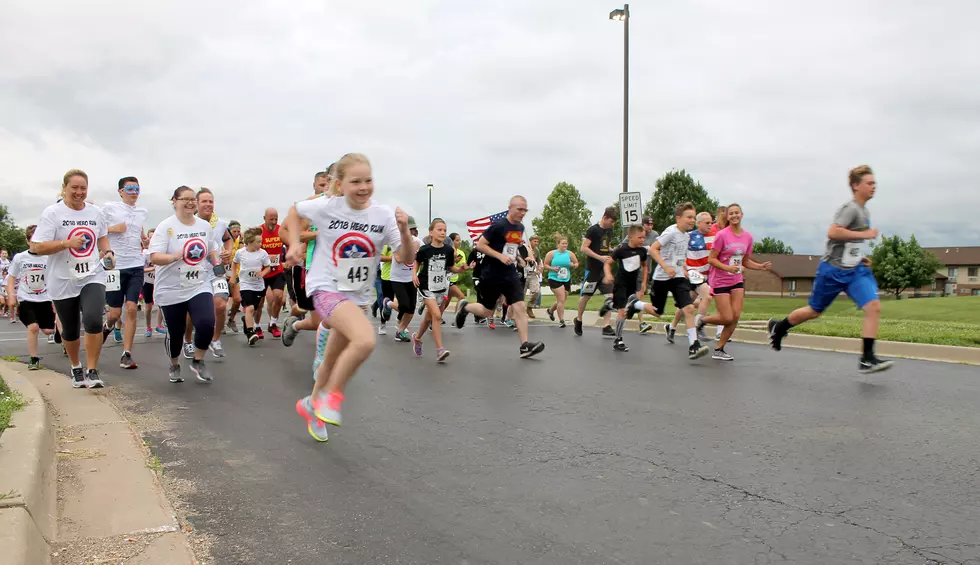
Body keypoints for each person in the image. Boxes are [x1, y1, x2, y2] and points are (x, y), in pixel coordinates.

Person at [284, 152, 413, 442]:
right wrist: (294, 243)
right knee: (365, 340)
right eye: (356, 181)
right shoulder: (327, 206)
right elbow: (294, 212)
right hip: (325, 288)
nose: (364, 186)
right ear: (340, 184)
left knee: (331, 359)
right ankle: (331, 396)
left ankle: (311, 403)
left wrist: (404, 231)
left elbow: (405, 258)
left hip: (358, 296)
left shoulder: (382, 215)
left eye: (368, 180)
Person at [768, 165, 893, 373]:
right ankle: (779, 327)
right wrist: (865, 235)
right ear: (855, 185)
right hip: (832, 270)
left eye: (874, 183)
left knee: (873, 307)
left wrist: (859, 257)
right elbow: (833, 232)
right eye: (869, 183)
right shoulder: (850, 209)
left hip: (853, 271)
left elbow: (848, 243)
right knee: (814, 311)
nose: (874, 186)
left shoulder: (864, 211)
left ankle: (867, 357)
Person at [30, 169, 112, 388]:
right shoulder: (53, 213)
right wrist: (65, 243)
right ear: (64, 188)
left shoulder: (95, 212)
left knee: (94, 319)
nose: (79, 192)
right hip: (63, 278)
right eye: (74, 187)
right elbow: (36, 247)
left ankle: (92, 370)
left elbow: (102, 237)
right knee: (70, 328)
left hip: (92, 274)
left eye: (83, 188)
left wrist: (108, 252)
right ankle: (76, 366)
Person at [454, 196, 545, 358]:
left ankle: (525, 345)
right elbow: (481, 245)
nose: (523, 213)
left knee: (520, 306)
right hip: (491, 274)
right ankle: (465, 308)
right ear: (510, 208)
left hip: (509, 274)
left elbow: (511, 248)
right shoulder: (498, 226)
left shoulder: (520, 228)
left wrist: (518, 259)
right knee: (487, 311)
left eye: (525, 210)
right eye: (519, 209)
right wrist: (499, 256)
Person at [149, 186, 219, 384]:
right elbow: (155, 257)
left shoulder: (204, 226)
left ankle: (198, 360)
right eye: (185, 199)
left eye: (192, 199)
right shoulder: (166, 227)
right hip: (171, 287)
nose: (190, 203)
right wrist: (172, 257)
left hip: (198, 283)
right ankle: (174, 363)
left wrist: (216, 263)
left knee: (206, 323)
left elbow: (211, 250)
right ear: (174, 201)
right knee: (176, 333)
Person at [695, 204, 771, 360]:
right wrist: (727, 268)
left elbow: (746, 261)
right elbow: (712, 259)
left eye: (737, 213)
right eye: (731, 213)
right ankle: (702, 320)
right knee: (727, 317)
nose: (734, 216)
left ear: (742, 214)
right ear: (727, 217)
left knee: (735, 317)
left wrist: (760, 267)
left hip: (736, 280)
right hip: (720, 280)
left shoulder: (748, 237)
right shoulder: (722, 235)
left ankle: (719, 349)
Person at [648, 202, 710, 360]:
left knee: (689, 308)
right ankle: (635, 304)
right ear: (679, 218)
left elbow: (679, 258)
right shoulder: (670, 232)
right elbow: (652, 249)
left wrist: (683, 270)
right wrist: (665, 266)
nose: (692, 221)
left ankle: (693, 345)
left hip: (677, 278)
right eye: (689, 217)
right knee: (657, 311)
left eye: (693, 218)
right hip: (662, 277)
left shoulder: (686, 236)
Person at [101, 176, 149, 369]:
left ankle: (126, 353)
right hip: (115, 266)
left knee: (131, 308)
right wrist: (114, 228)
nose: (134, 192)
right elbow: (98, 231)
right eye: (130, 189)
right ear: (121, 191)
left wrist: (144, 239)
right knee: (114, 313)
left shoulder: (142, 212)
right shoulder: (109, 208)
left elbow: (139, 230)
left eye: (137, 188)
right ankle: (107, 327)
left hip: (136, 265)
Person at [181, 188, 232, 359]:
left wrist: (228, 252)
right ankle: (188, 341)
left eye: (211, 201)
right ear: (196, 203)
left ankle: (215, 340)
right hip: (194, 271)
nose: (208, 204)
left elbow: (227, 239)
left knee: (221, 305)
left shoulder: (221, 223)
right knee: (191, 311)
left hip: (215, 271)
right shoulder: (189, 223)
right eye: (204, 201)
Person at [411, 220, 462, 362]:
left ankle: (418, 337)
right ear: (431, 232)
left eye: (444, 230)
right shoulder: (424, 250)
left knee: (428, 318)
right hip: (425, 286)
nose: (443, 232)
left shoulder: (449, 250)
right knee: (437, 316)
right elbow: (417, 262)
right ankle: (440, 350)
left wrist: (462, 269)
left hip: (440, 287)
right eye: (439, 229)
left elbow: (451, 268)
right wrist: (414, 274)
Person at [7, 225, 56, 370]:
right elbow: (11, 278)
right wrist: (11, 295)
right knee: (33, 327)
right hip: (26, 298)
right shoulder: (20, 257)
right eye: (33, 240)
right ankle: (33, 358)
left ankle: (60, 335)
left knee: (48, 331)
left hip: (45, 298)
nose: (36, 244)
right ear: (28, 241)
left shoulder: (49, 258)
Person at [667, 211, 716, 343]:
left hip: (705, 275)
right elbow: (677, 252)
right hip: (692, 273)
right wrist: (682, 268)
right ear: (698, 223)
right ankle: (698, 325)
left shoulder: (715, 236)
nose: (710, 225)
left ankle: (671, 327)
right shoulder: (689, 236)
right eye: (707, 223)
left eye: (711, 222)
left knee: (687, 305)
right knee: (708, 296)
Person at [600, 225, 649, 352]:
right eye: (640, 237)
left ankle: (609, 305)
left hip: (633, 285)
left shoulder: (642, 251)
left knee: (628, 311)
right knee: (622, 311)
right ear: (631, 237)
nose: (642, 240)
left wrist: (644, 282)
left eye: (644, 238)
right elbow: (608, 263)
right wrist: (608, 274)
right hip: (620, 284)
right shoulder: (621, 250)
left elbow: (645, 266)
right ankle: (618, 340)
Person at [574, 207, 618, 338]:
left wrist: (612, 250)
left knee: (610, 296)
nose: (612, 224)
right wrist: (599, 257)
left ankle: (606, 326)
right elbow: (584, 248)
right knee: (586, 297)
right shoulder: (593, 230)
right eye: (611, 221)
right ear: (604, 218)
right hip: (592, 270)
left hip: (604, 270)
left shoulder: (609, 230)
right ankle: (579, 319)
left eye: (614, 222)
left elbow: (604, 246)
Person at [230, 227, 272, 345]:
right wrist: (233, 276)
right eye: (258, 242)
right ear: (250, 242)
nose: (261, 243)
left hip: (258, 285)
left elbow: (268, 267)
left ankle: (246, 321)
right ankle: (250, 332)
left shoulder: (263, 253)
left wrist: (263, 273)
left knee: (256, 308)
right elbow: (234, 263)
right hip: (245, 284)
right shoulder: (240, 252)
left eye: (261, 241)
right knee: (250, 308)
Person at [382, 217, 422, 342]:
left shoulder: (418, 242)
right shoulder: (396, 241)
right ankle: (387, 304)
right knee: (404, 305)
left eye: (411, 230)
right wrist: (412, 254)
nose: (409, 233)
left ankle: (400, 331)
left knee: (411, 309)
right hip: (397, 278)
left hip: (411, 278)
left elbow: (423, 256)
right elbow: (399, 259)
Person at [255, 208, 286, 338]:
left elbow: (290, 244)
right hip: (262, 272)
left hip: (277, 270)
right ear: (264, 218)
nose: (273, 222)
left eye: (275, 219)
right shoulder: (259, 232)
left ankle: (273, 323)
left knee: (278, 296)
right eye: (271, 219)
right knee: (260, 302)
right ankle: (256, 326)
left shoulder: (281, 230)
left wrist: (289, 257)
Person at [543, 234, 578, 328]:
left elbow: (576, 263)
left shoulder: (570, 253)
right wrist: (552, 268)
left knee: (562, 300)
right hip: (554, 278)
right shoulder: (551, 254)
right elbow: (545, 265)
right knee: (561, 299)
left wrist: (573, 265)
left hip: (566, 278)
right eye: (563, 243)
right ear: (558, 244)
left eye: (566, 243)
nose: (565, 245)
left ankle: (550, 311)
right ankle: (562, 320)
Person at [439, 232, 470, 322]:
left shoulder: (461, 253)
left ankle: (436, 318)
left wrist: (469, 267)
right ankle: (456, 319)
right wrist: (454, 260)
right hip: (446, 279)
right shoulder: (447, 251)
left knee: (445, 302)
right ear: (452, 242)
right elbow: (448, 266)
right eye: (457, 240)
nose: (459, 242)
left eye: (460, 240)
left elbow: (462, 267)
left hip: (453, 280)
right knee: (461, 297)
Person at [141, 229, 166, 337]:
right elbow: (140, 269)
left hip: (158, 281)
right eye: (150, 237)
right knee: (148, 307)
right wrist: (152, 269)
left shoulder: (160, 251)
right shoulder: (144, 253)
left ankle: (159, 325)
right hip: (147, 282)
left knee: (161, 304)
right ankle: (148, 327)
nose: (151, 239)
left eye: (153, 237)